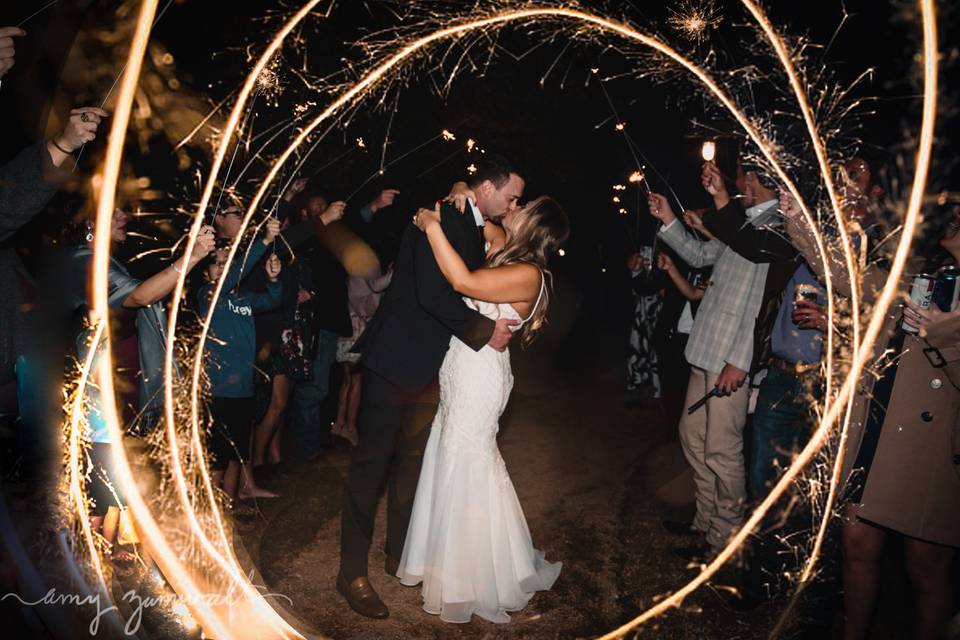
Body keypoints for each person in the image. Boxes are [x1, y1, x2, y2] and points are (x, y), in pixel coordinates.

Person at [336, 155, 520, 619]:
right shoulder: (441, 217)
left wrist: (458, 183)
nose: (515, 202)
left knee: (411, 469)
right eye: (511, 194)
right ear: (487, 188)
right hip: (397, 359)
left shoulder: (472, 221)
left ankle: (399, 553)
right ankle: (351, 573)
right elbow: (431, 293)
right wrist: (485, 331)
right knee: (371, 468)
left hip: (433, 369)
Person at [782, 193, 960, 640]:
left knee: (925, 564)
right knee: (857, 541)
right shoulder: (917, 270)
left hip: (931, 440)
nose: (945, 216)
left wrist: (946, 337)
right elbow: (848, 278)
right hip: (880, 420)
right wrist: (799, 222)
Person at [397, 193, 568, 623]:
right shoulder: (507, 250)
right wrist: (460, 191)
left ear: (535, 226)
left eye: (524, 208)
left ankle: (467, 577)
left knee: (466, 461)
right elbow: (479, 218)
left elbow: (464, 283)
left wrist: (431, 226)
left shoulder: (529, 274)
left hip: (480, 377)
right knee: (449, 452)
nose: (516, 206)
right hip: (461, 367)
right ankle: (443, 560)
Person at [648, 159, 778, 561]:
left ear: (753, 179)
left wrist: (741, 360)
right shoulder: (742, 220)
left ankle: (725, 542)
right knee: (693, 436)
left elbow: (759, 305)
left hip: (731, 359)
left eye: (740, 176)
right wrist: (668, 217)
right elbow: (702, 255)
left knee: (722, 450)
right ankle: (704, 523)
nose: (736, 182)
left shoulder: (773, 226)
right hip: (707, 349)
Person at [67, 209, 214, 558]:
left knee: (116, 477)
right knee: (102, 480)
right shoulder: (84, 262)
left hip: (120, 389)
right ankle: (92, 560)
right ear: (89, 222)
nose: (124, 217)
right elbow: (140, 297)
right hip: (98, 396)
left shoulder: (106, 262)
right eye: (113, 212)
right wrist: (191, 258)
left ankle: (112, 550)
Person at [198, 218, 282, 507]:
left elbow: (272, 300)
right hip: (220, 391)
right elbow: (236, 273)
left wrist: (272, 280)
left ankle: (228, 509)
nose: (222, 269)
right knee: (218, 459)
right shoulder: (207, 296)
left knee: (237, 455)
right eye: (216, 264)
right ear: (205, 272)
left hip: (245, 389)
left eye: (225, 263)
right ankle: (210, 513)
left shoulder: (243, 298)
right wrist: (264, 241)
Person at [332, 267, 394, 447]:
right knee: (356, 382)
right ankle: (350, 428)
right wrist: (395, 270)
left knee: (347, 381)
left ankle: (339, 424)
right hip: (359, 332)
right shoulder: (365, 270)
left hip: (348, 330)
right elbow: (376, 286)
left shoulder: (351, 272)